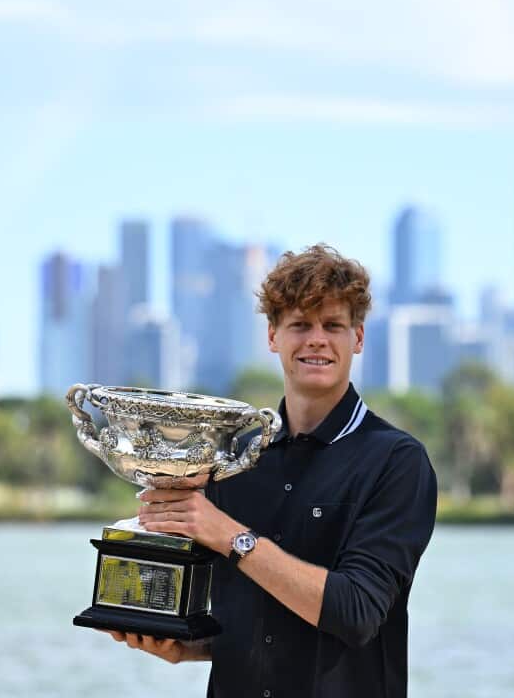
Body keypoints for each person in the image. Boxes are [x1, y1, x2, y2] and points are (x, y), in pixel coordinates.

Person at [107, 243, 437, 698]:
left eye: (333, 326)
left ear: (358, 339)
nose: (316, 339)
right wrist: (186, 643)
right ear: (272, 337)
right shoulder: (231, 457)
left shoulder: (397, 462)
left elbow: (357, 613)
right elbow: (247, 617)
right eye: (300, 324)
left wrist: (230, 536)